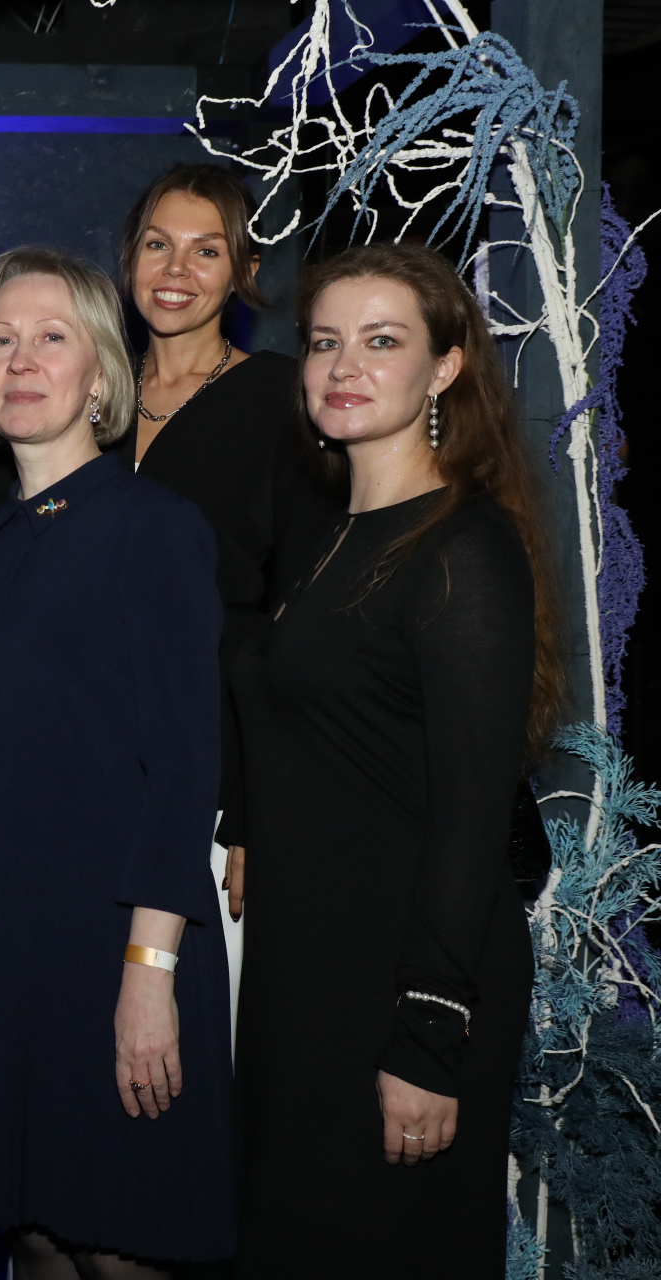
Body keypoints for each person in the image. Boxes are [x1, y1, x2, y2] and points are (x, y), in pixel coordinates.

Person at [0, 165, 330, 983]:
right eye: (158, 245)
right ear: (128, 259)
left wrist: (258, 806)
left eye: (206, 250)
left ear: (244, 269)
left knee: (171, 1010)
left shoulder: (277, 398)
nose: (176, 270)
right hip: (82, 770)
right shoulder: (74, 387)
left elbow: (299, 610)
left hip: (212, 767)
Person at [227, 243, 553, 1278]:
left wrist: (429, 1032)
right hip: (304, 968)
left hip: (406, 982)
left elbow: (472, 818)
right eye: (325, 342)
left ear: (444, 368)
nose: (344, 366)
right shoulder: (325, 535)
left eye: (381, 341)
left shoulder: (464, 548)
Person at [0, 247, 234, 1276]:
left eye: (52, 337)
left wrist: (149, 975)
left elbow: (183, 769)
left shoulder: (156, 527)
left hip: (117, 942)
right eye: (0, 338)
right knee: (35, 1236)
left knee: (121, 1243)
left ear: (100, 373)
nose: (21, 359)